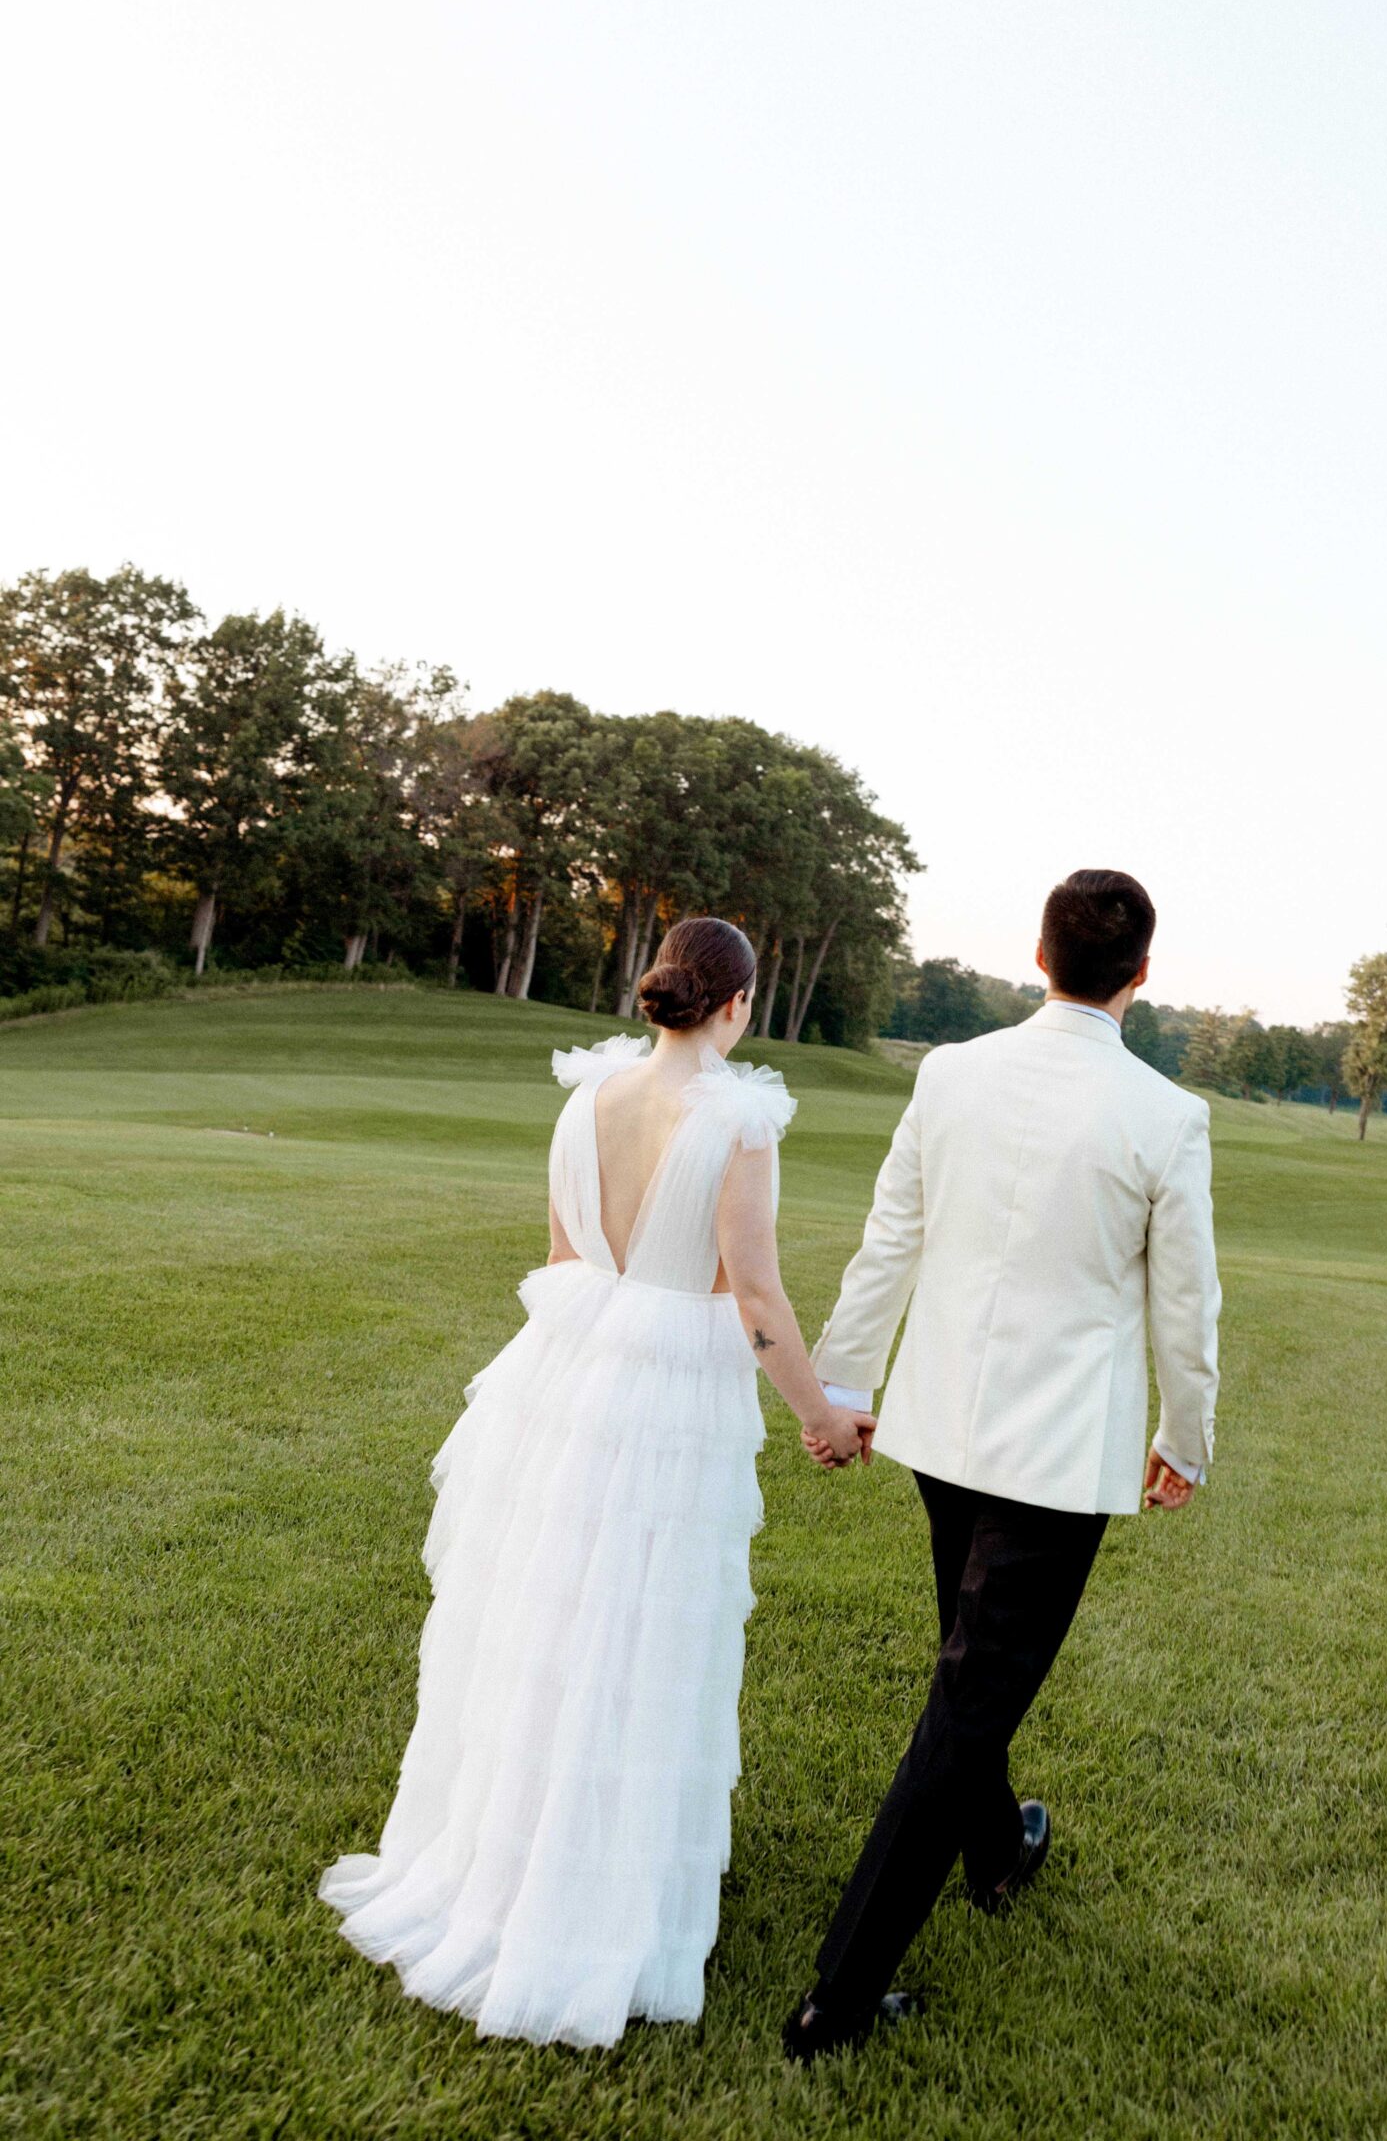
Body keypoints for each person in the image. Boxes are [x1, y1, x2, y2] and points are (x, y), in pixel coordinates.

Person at [320, 915, 873, 2047]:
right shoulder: (739, 1120)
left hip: (565, 1372)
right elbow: (755, 1297)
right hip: (666, 1395)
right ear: (737, 1004)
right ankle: (585, 1910)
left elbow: (570, 1252)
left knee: (545, 1616)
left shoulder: (588, 1097)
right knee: (640, 1636)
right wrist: (822, 1417)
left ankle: (505, 1858)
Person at [784, 868, 1222, 2060]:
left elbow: (891, 1238)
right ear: (1140, 975)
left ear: (1039, 956)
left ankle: (1000, 1851)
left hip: (944, 1433)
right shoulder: (1164, 1116)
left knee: (969, 1673)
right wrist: (1186, 1439)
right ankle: (837, 1997)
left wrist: (845, 1382)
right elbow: (1187, 1304)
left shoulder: (950, 1071)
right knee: (966, 1703)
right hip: (1052, 1455)